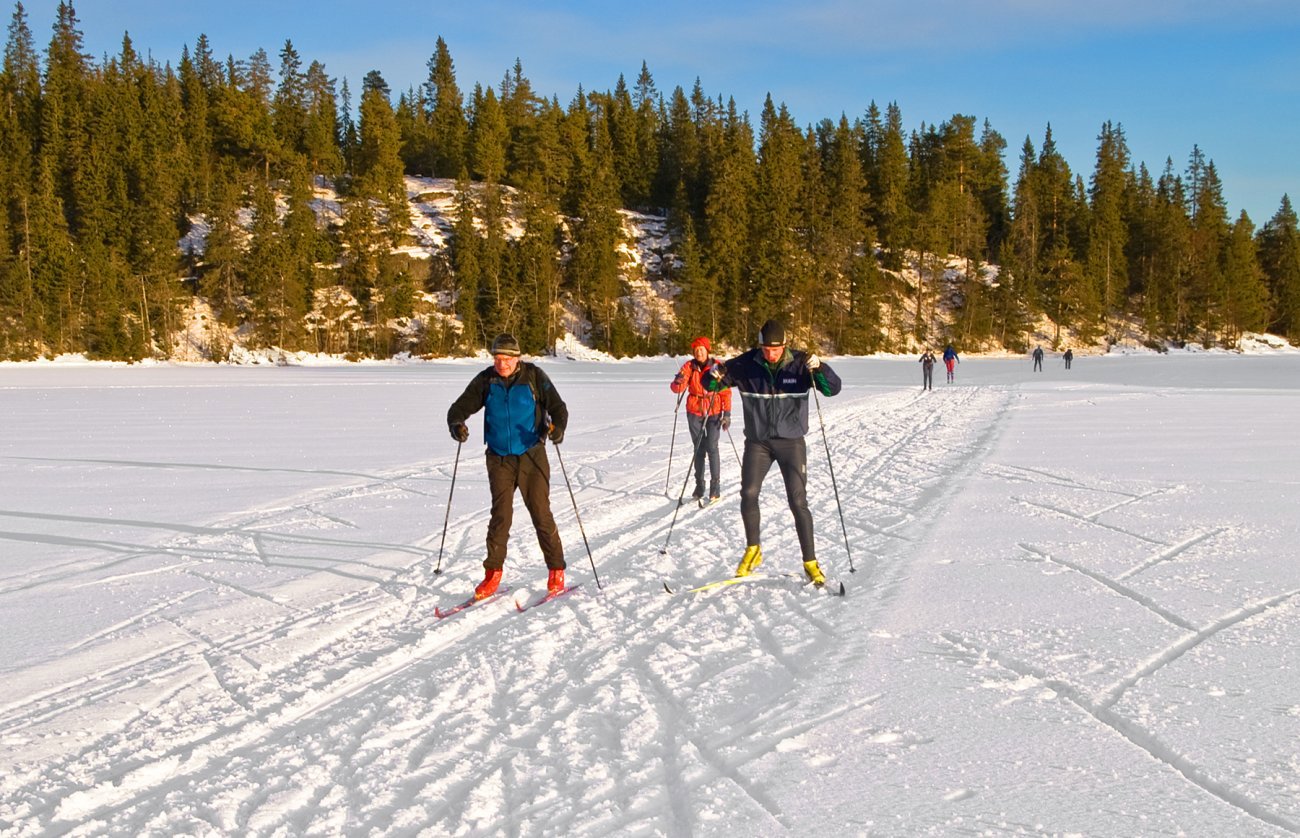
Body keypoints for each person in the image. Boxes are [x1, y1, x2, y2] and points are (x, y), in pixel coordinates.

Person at [701, 319, 842, 586]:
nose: (770, 353)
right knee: (748, 492)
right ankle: (753, 550)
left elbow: (832, 389)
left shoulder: (800, 363)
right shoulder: (745, 364)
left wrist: (821, 368)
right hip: (758, 443)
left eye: (775, 349)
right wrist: (714, 373)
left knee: (797, 501)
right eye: (766, 348)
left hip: (791, 442)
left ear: (785, 346)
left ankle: (810, 562)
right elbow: (710, 385)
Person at [447, 333, 568, 599]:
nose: (501, 364)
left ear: (518, 358)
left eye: (507, 359)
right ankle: (492, 575)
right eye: (497, 358)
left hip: (531, 455)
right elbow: (459, 407)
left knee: (540, 513)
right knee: (500, 516)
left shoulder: (535, 377)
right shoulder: (485, 380)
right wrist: (456, 424)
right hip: (499, 457)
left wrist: (557, 430)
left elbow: (558, 408)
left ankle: (556, 570)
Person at [670, 336, 732, 505]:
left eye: (701, 349)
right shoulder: (689, 366)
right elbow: (676, 388)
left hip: (713, 410)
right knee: (698, 449)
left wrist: (726, 414)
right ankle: (699, 487)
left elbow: (726, 392)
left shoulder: (716, 366)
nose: (699, 352)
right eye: (696, 350)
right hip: (695, 410)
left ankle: (715, 489)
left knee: (712, 447)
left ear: (707, 350)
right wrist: (678, 381)